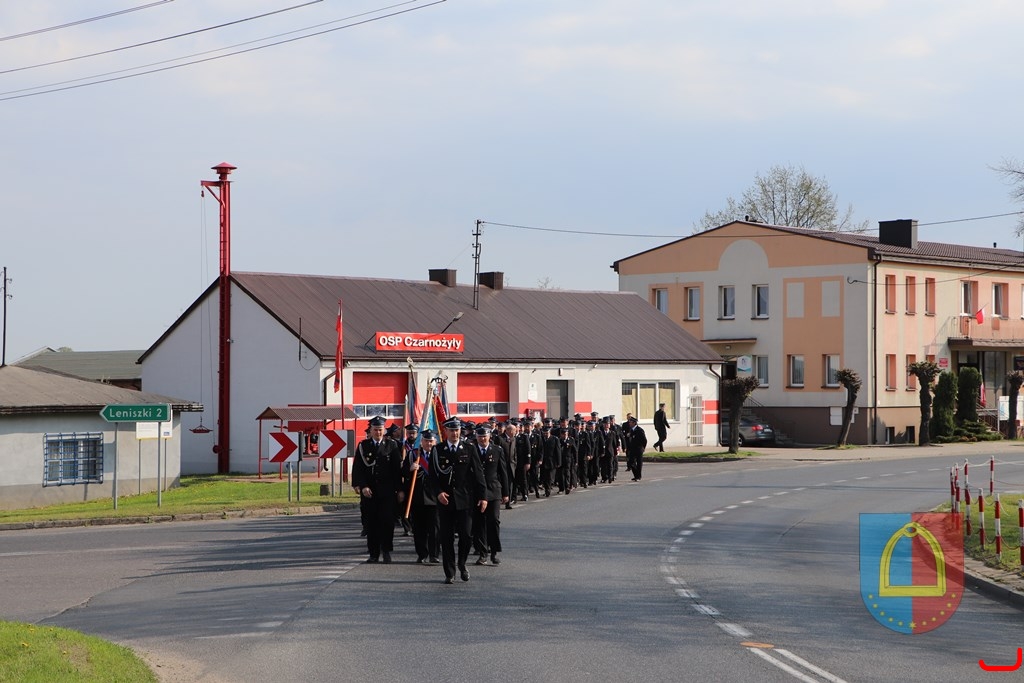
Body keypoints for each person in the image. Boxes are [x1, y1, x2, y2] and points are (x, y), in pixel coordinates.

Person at [430, 417, 487, 584]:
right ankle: (450, 572)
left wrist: (483, 496)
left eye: (457, 430)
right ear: (445, 431)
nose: (454, 433)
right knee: (446, 537)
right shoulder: (437, 450)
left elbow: (478, 474)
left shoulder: (469, 448)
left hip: (465, 500)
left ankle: (462, 563)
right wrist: (438, 493)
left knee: (466, 535)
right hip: (446, 500)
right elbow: (432, 476)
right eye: (451, 430)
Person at [351, 415, 404, 564]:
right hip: (370, 492)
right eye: (375, 430)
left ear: (384, 430)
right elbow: (358, 468)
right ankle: (373, 553)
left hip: (387, 491)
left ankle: (386, 550)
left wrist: (400, 489)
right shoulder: (363, 446)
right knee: (371, 522)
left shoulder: (391, 445)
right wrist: (362, 486)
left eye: (380, 430)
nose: (378, 432)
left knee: (387, 522)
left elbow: (396, 470)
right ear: (371, 430)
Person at [472, 426, 509, 566]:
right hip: (477, 491)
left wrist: (506, 493)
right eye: (480, 436)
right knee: (479, 523)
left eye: (485, 436)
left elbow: (503, 472)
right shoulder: (472, 450)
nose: (482, 439)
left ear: (489, 437)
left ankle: (494, 552)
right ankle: (482, 553)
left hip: (493, 490)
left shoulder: (497, 450)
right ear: (476, 437)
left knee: (493, 521)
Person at [403, 428, 440, 564]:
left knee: (435, 528)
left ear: (435, 442)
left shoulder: (439, 454)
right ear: (421, 442)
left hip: (434, 498)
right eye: (426, 441)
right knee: (419, 529)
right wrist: (410, 468)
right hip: (417, 497)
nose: (428, 444)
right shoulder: (413, 455)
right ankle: (422, 554)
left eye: (431, 441)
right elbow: (402, 472)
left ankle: (434, 554)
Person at [624, 415, 648, 481]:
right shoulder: (631, 430)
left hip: (639, 448)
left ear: (634, 423)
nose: (629, 423)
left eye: (630, 422)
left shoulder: (639, 430)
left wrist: (643, 447)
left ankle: (638, 476)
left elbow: (644, 440)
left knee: (639, 462)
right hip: (632, 449)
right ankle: (636, 475)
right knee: (631, 462)